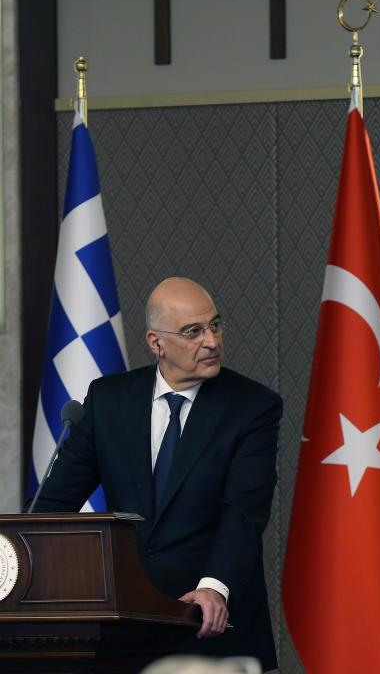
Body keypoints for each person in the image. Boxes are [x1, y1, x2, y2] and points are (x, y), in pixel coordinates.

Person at [30, 277, 281, 671]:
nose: (211, 341)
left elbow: (243, 513)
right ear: (156, 343)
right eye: (193, 331)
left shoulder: (252, 407)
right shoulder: (108, 400)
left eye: (215, 325)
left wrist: (214, 588)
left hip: (210, 623)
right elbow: (52, 505)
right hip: (125, 626)